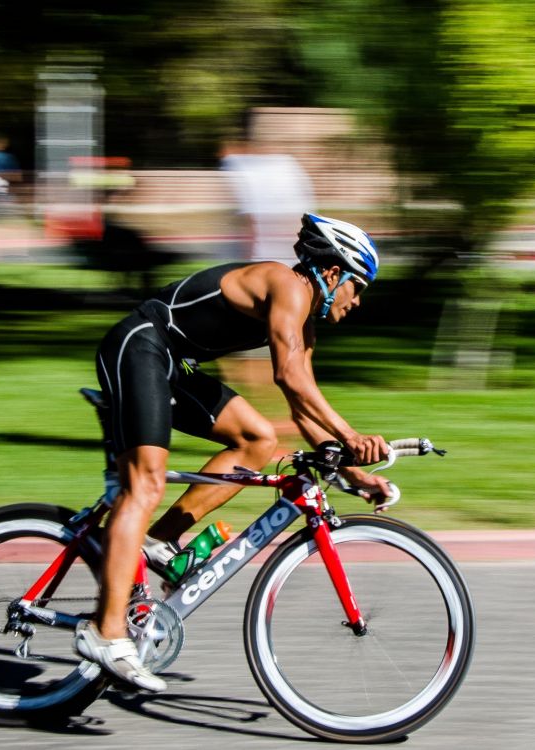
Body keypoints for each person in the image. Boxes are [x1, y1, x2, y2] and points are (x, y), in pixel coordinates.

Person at [75, 213, 393, 692]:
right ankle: (107, 631)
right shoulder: (287, 286)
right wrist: (350, 435)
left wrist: (350, 470)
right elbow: (291, 378)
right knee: (145, 484)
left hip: (169, 365)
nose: (358, 300)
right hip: (139, 345)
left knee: (258, 440)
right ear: (333, 273)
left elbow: (301, 405)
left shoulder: (303, 319)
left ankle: (159, 541)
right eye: (358, 285)